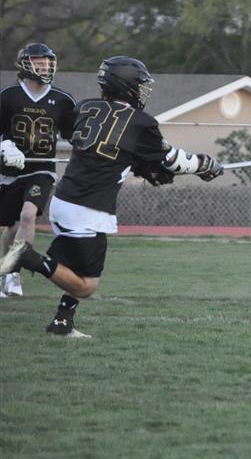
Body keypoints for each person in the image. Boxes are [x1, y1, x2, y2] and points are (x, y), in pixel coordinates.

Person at [0, 56, 224, 338]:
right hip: (88, 209)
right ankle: (28, 257)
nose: (142, 91)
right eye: (140, 85)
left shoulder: (86, 107)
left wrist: (143, 167)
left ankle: (62, 323)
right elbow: (175, 161)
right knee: (86, 285)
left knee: (75, 268)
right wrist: (205, 165)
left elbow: (110, 152)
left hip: (65, 200)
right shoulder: (140, 122)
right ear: (126, 86)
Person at [0, 43, 77, 298]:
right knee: (10, 226)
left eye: (47, 61)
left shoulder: (63, 100)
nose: (44, 66)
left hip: (41, 169)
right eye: (38, 61)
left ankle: (13, 272)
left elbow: (74, 135)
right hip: (10, 170)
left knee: (28, 215)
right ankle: (6, 270)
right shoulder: (8, 96)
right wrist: (4, 145)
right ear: (25, 64)